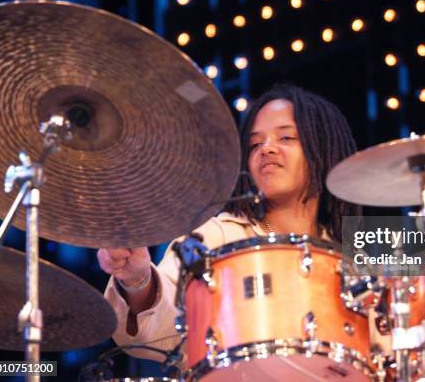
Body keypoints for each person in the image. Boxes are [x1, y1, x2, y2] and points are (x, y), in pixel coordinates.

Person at [97, 84, 361, 364]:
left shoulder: (355, 256)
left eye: (286, 137)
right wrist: (138, 280)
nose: (267, 149)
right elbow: (157, 334)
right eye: (255, 144)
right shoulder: (216, 236)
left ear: (325, 149)